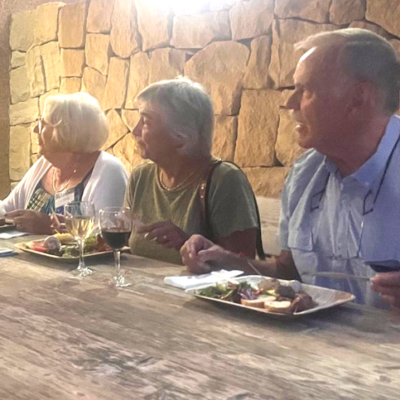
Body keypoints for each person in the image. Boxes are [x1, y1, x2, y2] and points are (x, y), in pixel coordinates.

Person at [180, 28, 400, 311]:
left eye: (305, 90)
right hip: (310, 338)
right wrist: (223, 259)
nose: (289, 103)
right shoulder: (305, 173)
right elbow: (288, 273)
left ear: (358, 98)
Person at [124, 78, 260, 265]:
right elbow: (125, 246)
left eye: (146, 121)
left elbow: (244, 264)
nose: (134, 130)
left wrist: (186, 242)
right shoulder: (140, 177)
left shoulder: (224, 180)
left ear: (181, 136)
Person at [0, 92, 128, 234]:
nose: (36, 129)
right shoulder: (44, 165)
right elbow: (7, 210)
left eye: (43, 124)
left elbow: (103, 237)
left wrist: (50, 226)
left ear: (66, 131)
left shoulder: (109, 171)